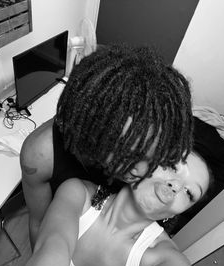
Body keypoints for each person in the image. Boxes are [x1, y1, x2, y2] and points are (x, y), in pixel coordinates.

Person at [20, 44, 193, 247]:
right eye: (128, 154)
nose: (142, 171)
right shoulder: (41, 154)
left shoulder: (164, 151)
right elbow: (38, 224)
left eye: (153, 157)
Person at [4, 149, 211, 266]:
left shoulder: (165, 257)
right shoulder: (77, 194)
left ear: (180, 212)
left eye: (189, 193)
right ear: (142, 164)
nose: (176, 186)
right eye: (171, 166)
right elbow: (52, 250)